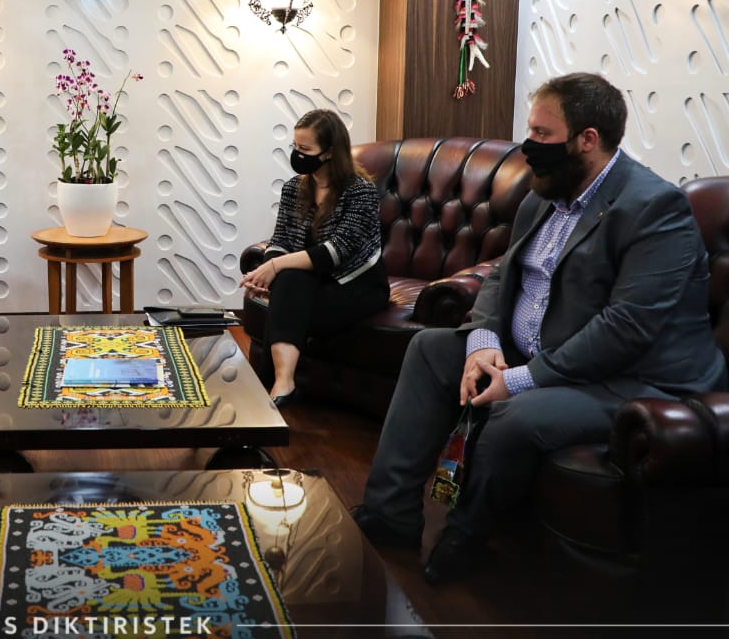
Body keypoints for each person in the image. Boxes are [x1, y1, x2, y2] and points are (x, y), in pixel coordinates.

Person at [354, 73, 728, 585]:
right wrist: (482, 344)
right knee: (429, 348)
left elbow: (625, 328)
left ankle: (466, 536)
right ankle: (389, 515)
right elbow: (502, 274)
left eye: (541, 134)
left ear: (587, 139)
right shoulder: (543, 196)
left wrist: (520, 379)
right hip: (543, 353)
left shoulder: (654, 208)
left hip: (633, 380)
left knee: (518, 414)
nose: (528, 145)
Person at [239, 109, 389, 405]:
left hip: (357, 285)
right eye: (294, 146)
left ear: (330, 151)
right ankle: (284, 382)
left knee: (287, 295)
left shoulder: (361, 192)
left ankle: (266, 385)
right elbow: (281, 240)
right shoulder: (294, 188)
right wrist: (270, 272)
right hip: (313, 281)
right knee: (288, 282)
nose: (297, 155)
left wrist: (275, 267)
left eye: (305, 149)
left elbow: (336, 251)